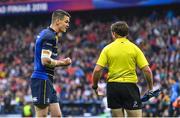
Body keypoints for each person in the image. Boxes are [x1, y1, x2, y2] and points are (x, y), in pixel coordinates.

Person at [92, 21, 153, 117]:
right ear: (127, 33)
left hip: (113, 87)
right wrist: (150, 88)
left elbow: (97, 70)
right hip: (129, 87)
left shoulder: (107, 49)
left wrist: (95, 86)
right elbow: (147, 70)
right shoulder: (134, 48)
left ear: (114, 33)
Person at [30, 9, 72, 117]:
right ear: (58, 21)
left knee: (57, 115)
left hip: (47, 80)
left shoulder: (46, 33)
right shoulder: (50, 36)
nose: (68, 25)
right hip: (41, 79)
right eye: (66, 22)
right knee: (42, 115)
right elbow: (45, 61)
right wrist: (62, 63)